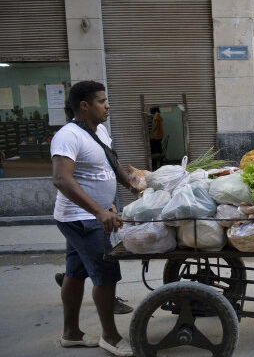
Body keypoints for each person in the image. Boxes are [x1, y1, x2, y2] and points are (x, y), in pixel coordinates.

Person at [50, 81, 134, 356]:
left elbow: (112, 163)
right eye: (101, 101)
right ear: (85, 106)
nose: (107, 105)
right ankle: (110, 336)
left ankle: (71, 334)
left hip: (90, 217)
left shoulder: (99, 131)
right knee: (106, 275)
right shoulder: (68, 135)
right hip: (82, 219)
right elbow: (62, 179)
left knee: (75, 274)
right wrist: (97, 211)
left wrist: (133, 185)